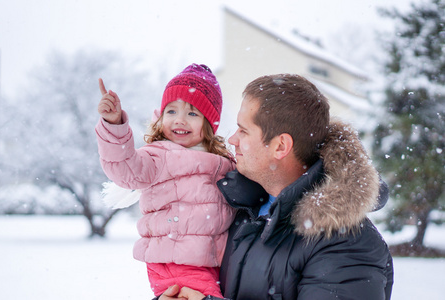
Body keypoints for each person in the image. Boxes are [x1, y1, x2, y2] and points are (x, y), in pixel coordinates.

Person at [161, 74, 393, 300]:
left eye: (243, 130)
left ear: (280, 146)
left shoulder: (347, 245)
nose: (232, 139)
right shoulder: (238, 208)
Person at [95, 64, 236, 298]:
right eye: (171, 112)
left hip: (208, 262)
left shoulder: (221, 161)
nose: (179, 120)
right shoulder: (158, 156)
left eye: (192, 113)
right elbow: (125, 168)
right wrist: (114, 124)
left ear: (209, 124)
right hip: (174, 260)